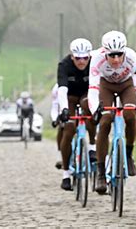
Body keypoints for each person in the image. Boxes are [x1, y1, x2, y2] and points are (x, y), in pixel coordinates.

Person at [88, 30, 136, 195]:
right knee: (104, 122)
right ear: (105, 53)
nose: (116, 59)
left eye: (119, 55)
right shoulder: (96, 59)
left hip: (127, 85)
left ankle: (129, 155)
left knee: (130, 115)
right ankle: (101, 173)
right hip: (106, 86)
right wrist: (96, 109)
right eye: (112, 55)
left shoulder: (132, 58)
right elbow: (93, 89)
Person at [57, 38, 97, 191]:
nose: (81, 61)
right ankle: (66, 173)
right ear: (72, 56)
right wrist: (64, 109)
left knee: (91, 111)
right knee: (69, 128)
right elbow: (62, 89)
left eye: (85, 58)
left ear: (89, 56)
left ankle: (92, 145)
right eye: (78, 58)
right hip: (70, 97)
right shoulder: (64, 65)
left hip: (87, 94)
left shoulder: (94, 63)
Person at [50, 83, 64, 169]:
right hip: (62, 111)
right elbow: (55, 106)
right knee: (61, 128)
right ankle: (60, 155)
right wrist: (55, 119)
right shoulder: (56, 88)